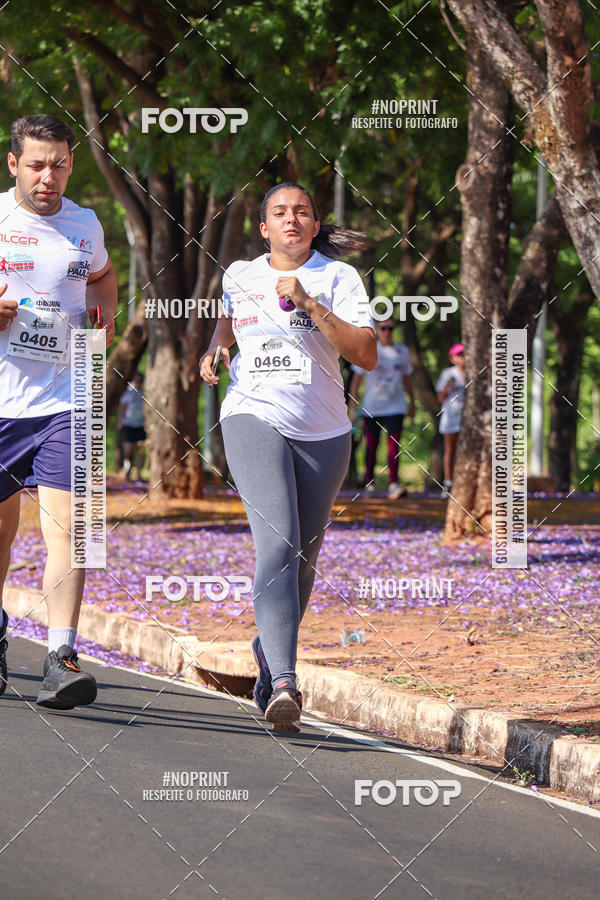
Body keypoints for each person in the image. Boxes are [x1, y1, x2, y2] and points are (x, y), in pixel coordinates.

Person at [199, 183, 376, 731]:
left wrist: (309, 302)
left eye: (302, 212)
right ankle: (283, 682)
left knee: (301, 559)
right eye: (280, 212)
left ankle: (266, 648)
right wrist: (216, 346)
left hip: (324, 432)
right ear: (264, 227)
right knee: (277, 541)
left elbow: (365, 354)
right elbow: (228, 317)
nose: (292, 220)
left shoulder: (338, 279)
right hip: (252, 414)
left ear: (316, 225)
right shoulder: (239, 275)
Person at [0, 115, 117, 706]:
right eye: (38, 164)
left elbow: (101, 279)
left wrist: (100, 325)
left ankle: (61, 656)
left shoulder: (85, 224)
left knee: (72, 533)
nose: (50, 176)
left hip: (68, 398)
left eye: (61, 163)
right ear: (14, 164)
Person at [348, 316, 415, 499]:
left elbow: (408, 379)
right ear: (377, 330)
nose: (387, 332)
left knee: (393, 446)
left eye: (390, 329)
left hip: (396, 406)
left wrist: (413, 403)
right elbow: (356, 380)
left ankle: (393, 484)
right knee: (371, 446)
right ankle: (369, 483)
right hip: (372, 407)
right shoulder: (368, 349)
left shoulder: (402, 351)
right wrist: (352, 407)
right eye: (383, 328)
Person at [436, 343, 466, 497]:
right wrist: (446, 387)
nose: (462, 357)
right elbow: (440, 398)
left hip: (466, 419)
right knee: (450, 450)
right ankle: (448, 482)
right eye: (459, 355)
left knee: (466, 451)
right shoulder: (447, 374)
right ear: (452, 358)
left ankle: (464, 482)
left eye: (464, 354)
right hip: (450, 417)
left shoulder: (472, 373)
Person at [117, 372, 147, 481]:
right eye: (136, 380)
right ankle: (128, 468)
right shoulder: (128, 394)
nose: (138, 382)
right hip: (128, 424)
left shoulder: (144, 394)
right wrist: (120, 421)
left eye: (140, 380)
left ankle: (138, 474)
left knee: (139, 451)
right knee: (128, 451)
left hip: (140, 425)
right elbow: (122, 408)